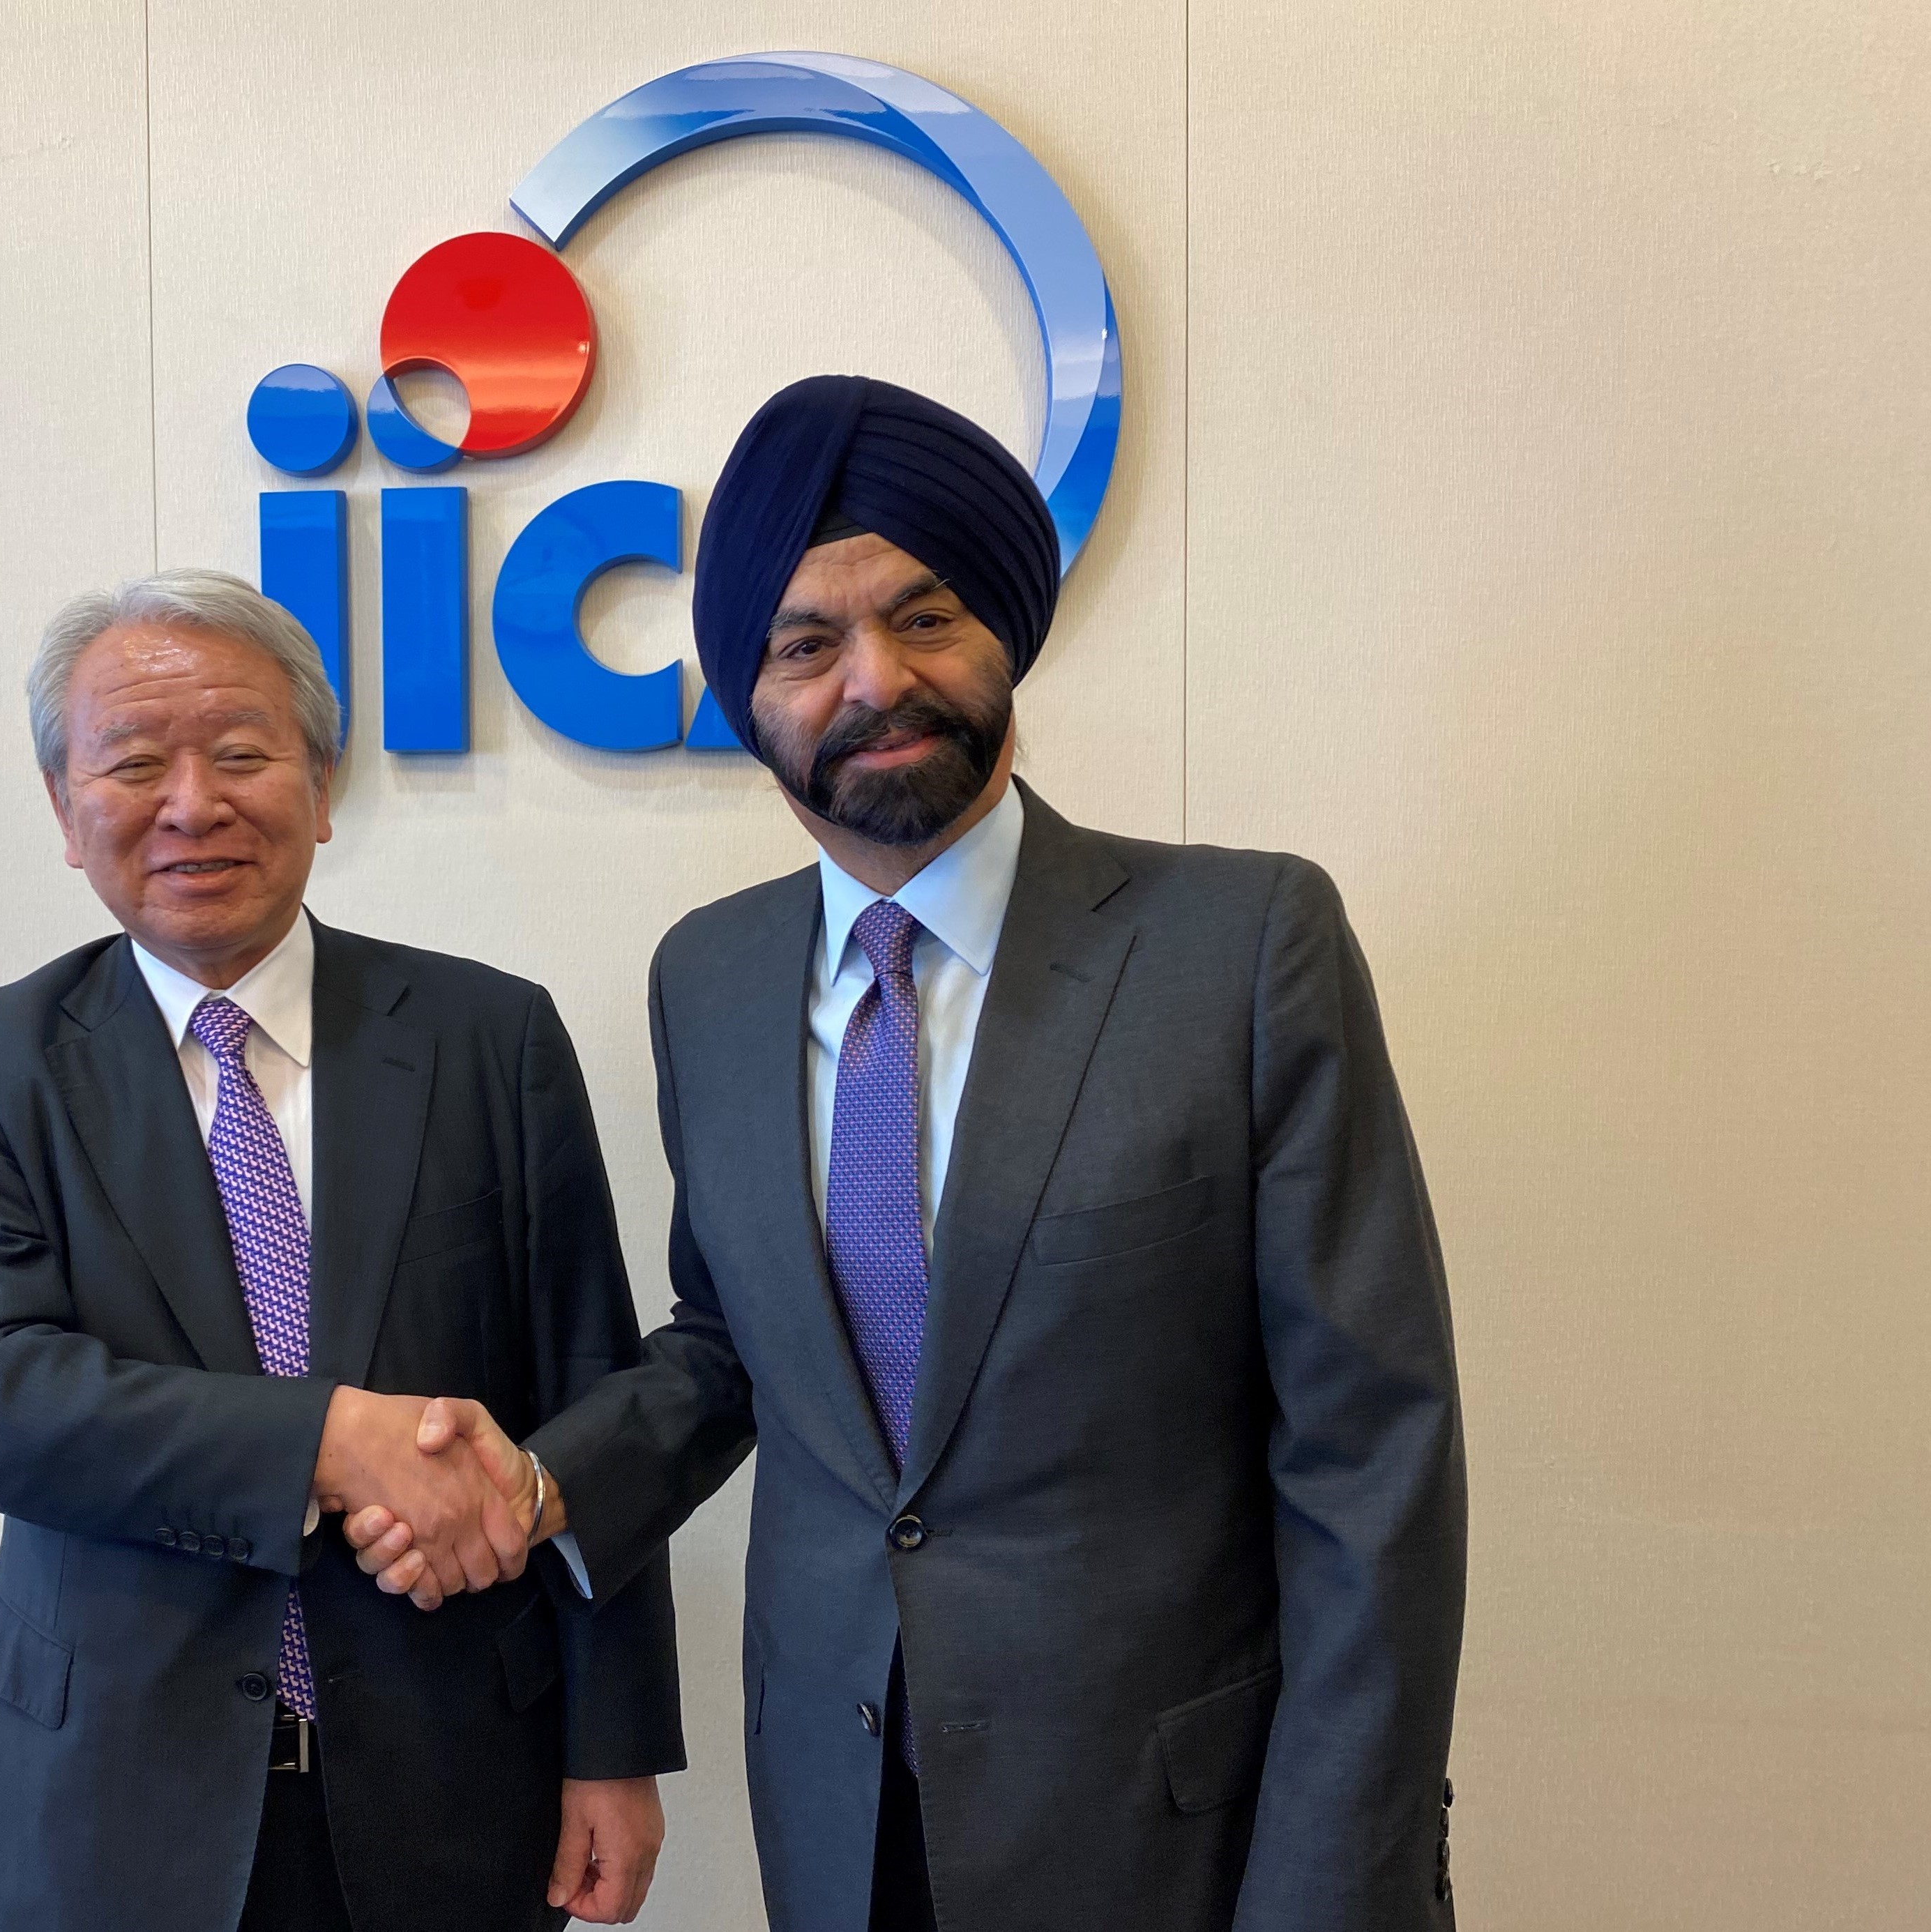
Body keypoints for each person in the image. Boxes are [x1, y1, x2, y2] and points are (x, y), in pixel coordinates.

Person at [347, 377, 1469, 1931]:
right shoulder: (710, 976)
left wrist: (1331, 1890)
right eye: (805, 645)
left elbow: (1370, 1459)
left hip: (1171, 1832)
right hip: (839, 1811)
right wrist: (537, 1484)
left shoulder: (1241, 944)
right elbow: (732, 1345)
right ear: (747, 698)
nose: (876, 679)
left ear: (1004, 634)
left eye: (925, 617)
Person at [0, 570, 677, 1932]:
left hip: (452, 1790)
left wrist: (614, 1743)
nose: (192, 803)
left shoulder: (488, 1040)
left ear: (321, 785)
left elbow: (589, 1396)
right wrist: (331, 1441)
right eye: (135, 764)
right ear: (65, 809)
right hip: (107, 1798)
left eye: (241, 754)